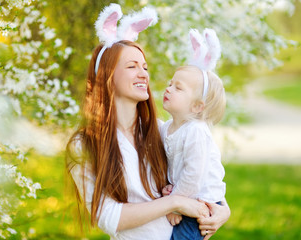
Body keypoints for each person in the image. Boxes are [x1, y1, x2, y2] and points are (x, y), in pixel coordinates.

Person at [66, 4, 230, 240]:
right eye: (132, 67)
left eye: (144, 67)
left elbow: (199, 171)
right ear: (107, 77)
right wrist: (174, 203)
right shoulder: (84, 144)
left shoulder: (160, 131)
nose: (144, 74)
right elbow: (108, 217)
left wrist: (223, 209)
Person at [160, 28, 227, 240]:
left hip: (200, 204)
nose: (169, 89)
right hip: (187, 197)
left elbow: (193, 175)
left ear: (198, 106)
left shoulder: (196, 132)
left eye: (178, 88)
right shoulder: (168, 126)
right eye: (170, 84)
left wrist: (174, 204)